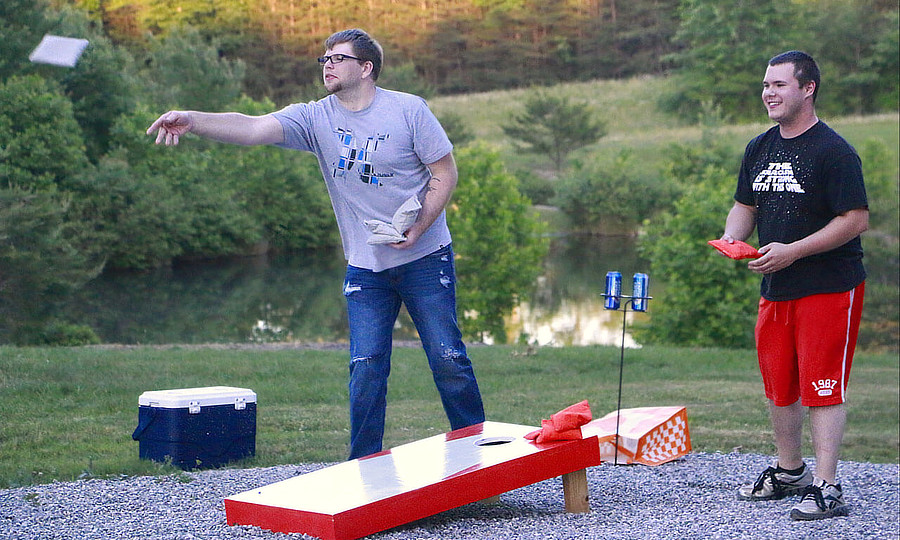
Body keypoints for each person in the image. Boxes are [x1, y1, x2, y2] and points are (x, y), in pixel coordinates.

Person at [147, 28, 485, 460]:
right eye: (324, 58)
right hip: (366, 265)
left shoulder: (408, 111)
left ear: (366, 68)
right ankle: (364, 467)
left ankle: (477, 455)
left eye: (338, 58)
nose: (327, 65)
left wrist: (418, 227)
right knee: (366, 369)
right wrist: (194, 120)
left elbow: (445, 173)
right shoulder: (314, 117)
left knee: (448, 358)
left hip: (424, 257)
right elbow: (251, 127)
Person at [720, 51, 868, 520]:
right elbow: (746, 205)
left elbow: (855, 220)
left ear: (808, 89)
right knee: (780, 384)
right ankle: (790, 472)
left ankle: (827, 486)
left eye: (780, 85)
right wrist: (732, 237)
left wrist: (795, 250)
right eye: (766, 85)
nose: (769, 93)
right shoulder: (760, 147)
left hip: (829, 286)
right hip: (776, 286)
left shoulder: (835, 151)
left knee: (822, 386)